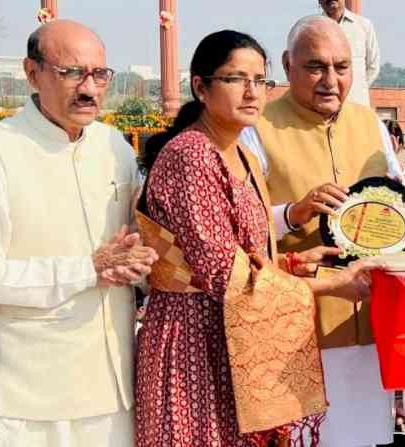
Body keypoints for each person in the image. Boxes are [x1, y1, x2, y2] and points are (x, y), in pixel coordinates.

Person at [134, 30, 368, 447]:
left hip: (240, 342)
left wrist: (296, 263)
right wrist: (331, 284)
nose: (251, 91)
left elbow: (251, 259)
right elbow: (228, 276)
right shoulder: (192, 155)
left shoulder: (242, 154)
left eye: (260, 80)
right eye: (235, 79)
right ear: (201, 87)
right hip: (194, 342)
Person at [240, 15, 402, 447]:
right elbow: (237, 226)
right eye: (316, 67)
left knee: (367, 436)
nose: (331, 79)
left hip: (370, 320)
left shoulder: (371, 126)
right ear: (287, 65)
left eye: (342, 67)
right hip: (296, 324)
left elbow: (402, 204)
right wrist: (294, 212)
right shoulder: (256, 129)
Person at [0, 20, 158, 446]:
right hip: (28, 399)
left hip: (113, 387)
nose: (89, 88)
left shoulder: (114, 147)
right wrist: (86, 270)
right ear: (32, 73)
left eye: (99, 74)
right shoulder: (0, 151)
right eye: (71, 73)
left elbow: (141, 240)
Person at [318, 0, 380, 106]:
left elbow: (373, 66)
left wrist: (356, 89)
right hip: (323, 105)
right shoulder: (311, 28)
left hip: (356, 104)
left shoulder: (364, 26)